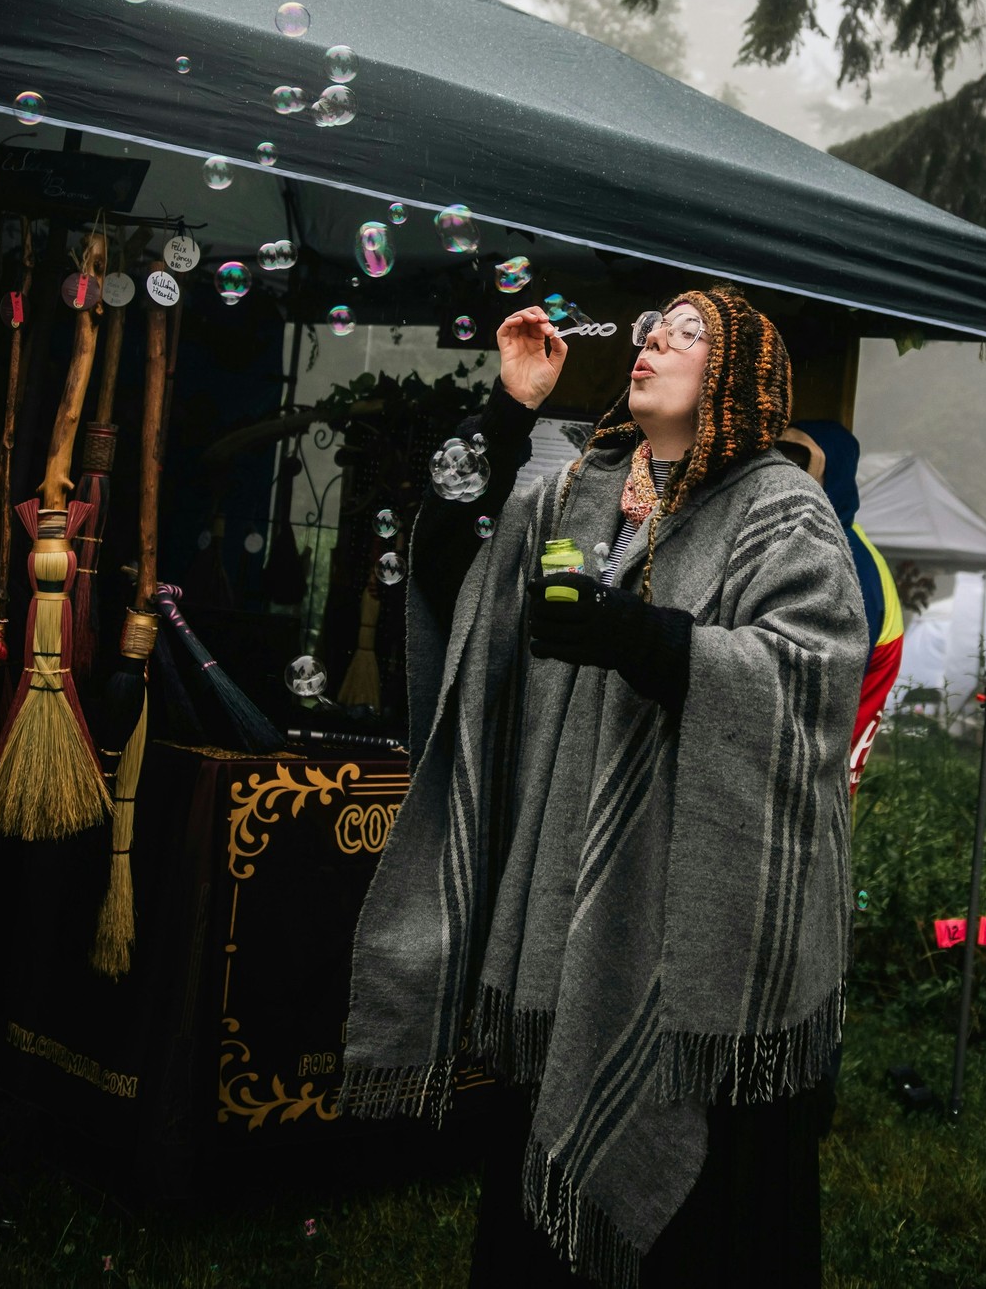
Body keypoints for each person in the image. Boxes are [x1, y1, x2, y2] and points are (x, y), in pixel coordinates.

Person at [342, 287, 869, 1288]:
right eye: (650, 326)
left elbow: (809, 674)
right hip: (561, 897)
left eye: (688, 330)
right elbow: (453, 577)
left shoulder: (777, 506)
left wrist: (639, 638)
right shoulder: (573, 493)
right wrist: (509, 406)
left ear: (740, 376)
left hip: (696, 922)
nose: (653, 339)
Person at [787, 420, 905, 788]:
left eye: (797, 460)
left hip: (827, 756)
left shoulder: (848, 564)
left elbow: (815, 692)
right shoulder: (821, 538)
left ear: (830, 475)